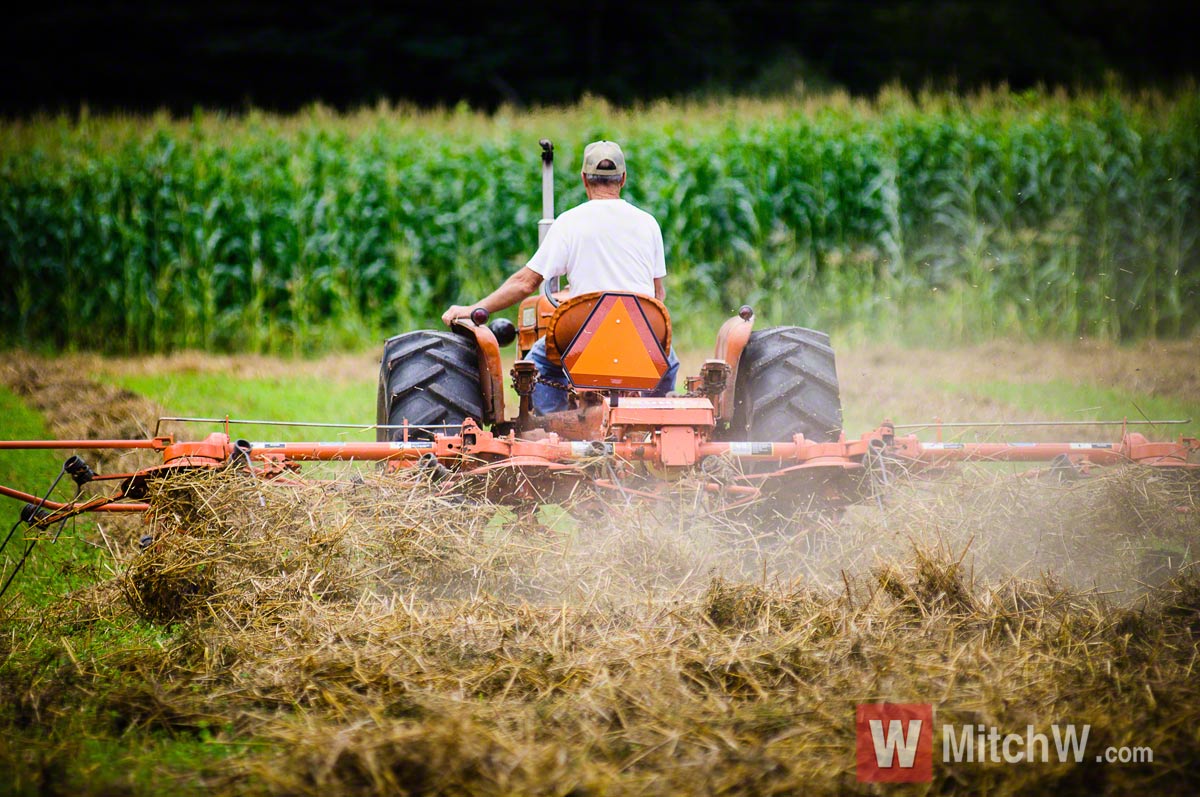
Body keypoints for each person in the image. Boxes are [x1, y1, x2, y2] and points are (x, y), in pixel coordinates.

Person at [442, 140, 680, 414]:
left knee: (537, 366)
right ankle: (650, 420)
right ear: (623, 179)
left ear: (584, 179)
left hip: (585, 332)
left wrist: (474, 309)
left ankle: (556, 428)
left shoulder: (569, 222)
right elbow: (657, 295)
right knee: (668, 361)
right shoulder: (648, 223)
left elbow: (525, 283)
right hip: (641, 331)